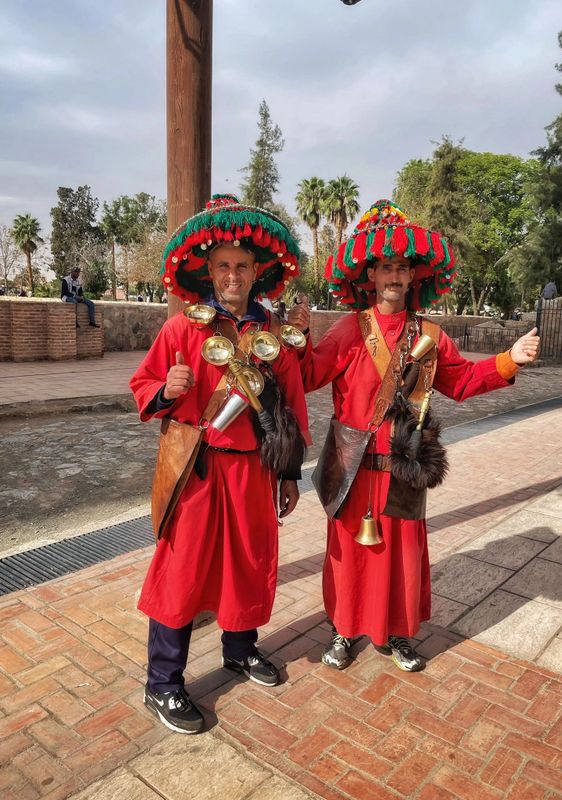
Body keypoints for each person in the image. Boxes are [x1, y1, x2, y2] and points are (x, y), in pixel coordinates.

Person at [288, 199, 540, 674]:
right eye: (386, 268)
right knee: (348, 555)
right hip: (353, 467)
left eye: (402, 268)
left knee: (404, 553)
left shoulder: (430, 335)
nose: (395, 277)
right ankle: (344, 630)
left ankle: (398, 633)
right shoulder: (348, 329)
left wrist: (511, 358)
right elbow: (307, 376)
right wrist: (297, 341)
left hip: (405, 462)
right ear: (371, 276)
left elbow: (462, 381)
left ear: (413, 277)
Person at [130, 194, 309, 735]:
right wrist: (167, 387)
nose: (233, 275)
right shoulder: (183, 329)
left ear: (257, 272)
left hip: (255, 471)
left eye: (243, 266)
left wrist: (288, 473)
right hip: (200, 472)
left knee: (248, 564)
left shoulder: (271, 336)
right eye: (224, 266)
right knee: (182, 573)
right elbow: (141, 386)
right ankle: (163, 683)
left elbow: (292, 404)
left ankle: (239, 648)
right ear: (209, 272)